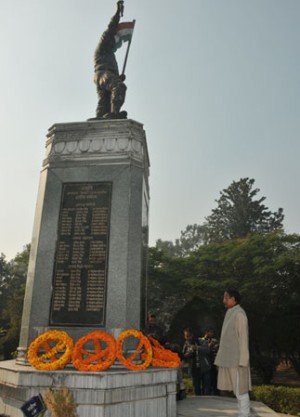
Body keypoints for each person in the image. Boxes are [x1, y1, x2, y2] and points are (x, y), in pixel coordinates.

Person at [214, 289, 252, 417]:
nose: (223, 300)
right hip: (229, 359)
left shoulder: (239, 314)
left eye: (226, 297)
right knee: (237, 391)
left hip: (237, 360)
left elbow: (243, 338)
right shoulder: (230, 312)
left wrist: (243, 360)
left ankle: (244, 414)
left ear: (233, 299)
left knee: (241, 390)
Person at [94, 1, 127, 119]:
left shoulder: (110, 54)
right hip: (102, 74)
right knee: (119, 87)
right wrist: (118, 13)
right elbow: (110, 28)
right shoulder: (103, 46)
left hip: (103, 76)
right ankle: (115, 114)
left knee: (104, 103)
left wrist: (118, 77)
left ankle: (102, 116)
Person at [182, 328, 211, 395]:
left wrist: (197, 348)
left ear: (192, 335)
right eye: (186, 336)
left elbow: (207, 350)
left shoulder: (201, 341)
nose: (187, 338)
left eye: (188, 336)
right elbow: (184, 355)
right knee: (196, 387)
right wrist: (188, 353)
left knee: (206, 388)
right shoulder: (186, 344)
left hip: (204, 368)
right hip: (194, 368)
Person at [201, 328, 219, 394]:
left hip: (213, 363)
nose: (212, 334)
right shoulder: (201, 341)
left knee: (214, 380)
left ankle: (216, 393)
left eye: (212, 332)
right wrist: (208, 346)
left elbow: (217, 349)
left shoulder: (214, 341)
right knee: (206, 382)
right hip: (205, 364)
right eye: (210, 332)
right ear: (206, 332)